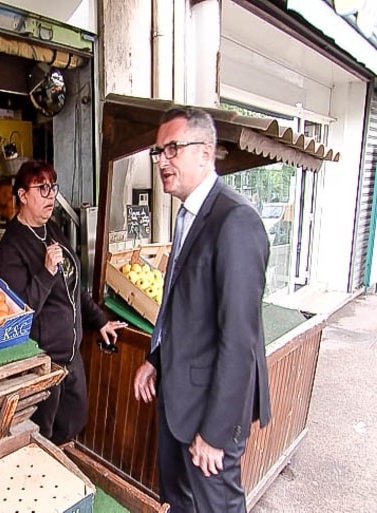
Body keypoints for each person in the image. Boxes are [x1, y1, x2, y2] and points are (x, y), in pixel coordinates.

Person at [133, 107, 271, 512]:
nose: (163, 161)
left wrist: (215, 432)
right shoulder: (188, 214)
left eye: (173, 148)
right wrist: (155, 358)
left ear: (206, 153)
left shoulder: (235, 221)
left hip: (211, 410)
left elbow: (239, 338)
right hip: (180, 398)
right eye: (159, 152)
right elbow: (184, 305)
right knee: (180, 504)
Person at [0, 160, 126, 444]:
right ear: (22, 195)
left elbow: (73, 286)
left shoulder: (52, 229)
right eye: (42, 188)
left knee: (74, 424)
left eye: (52, 187)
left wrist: (99, 320)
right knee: (42, 438)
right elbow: (21, 314)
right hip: (42, 366)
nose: (50, 195)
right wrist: (46, 272)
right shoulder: (9, 250)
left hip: (71, 358)